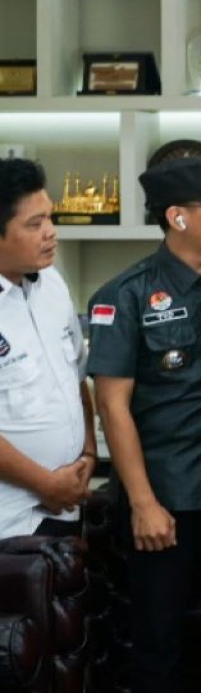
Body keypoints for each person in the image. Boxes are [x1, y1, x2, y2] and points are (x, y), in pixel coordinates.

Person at [87, 155, 201, 692]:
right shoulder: (125, 295)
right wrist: (143, 503)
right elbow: (112, 407)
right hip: (166, 495)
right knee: (157, 641)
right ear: (178, 217)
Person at [0, 158, 95, 540]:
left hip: (67, 503)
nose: (51, 234)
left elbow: (75, 376)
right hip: (10, 518)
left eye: (50, 219)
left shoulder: (52, 282)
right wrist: (45, 483)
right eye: (34, 225)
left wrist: (89, 452)